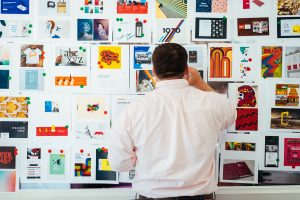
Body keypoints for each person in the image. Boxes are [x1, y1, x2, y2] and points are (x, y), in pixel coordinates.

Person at [108, 43, 236, 200]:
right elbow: (231, 114)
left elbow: (119, 164)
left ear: (154, 71)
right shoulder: (213, 103)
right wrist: (200, 84)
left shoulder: (133, 111)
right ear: (187, 70)